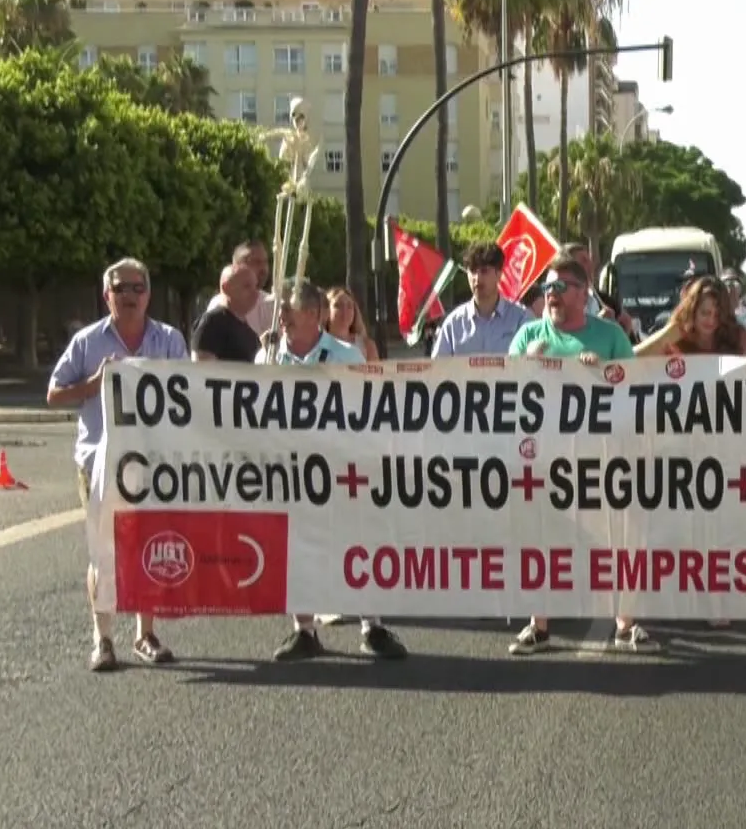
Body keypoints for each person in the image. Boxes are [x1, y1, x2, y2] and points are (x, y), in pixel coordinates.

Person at [46, 258, 189, 672]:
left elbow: (192, 393)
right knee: (103, 552)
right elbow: (54, 393)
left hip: (155, 465)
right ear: (106, 295)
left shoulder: (168, 340)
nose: (128, 295)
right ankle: (102, 640)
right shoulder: (88, 342)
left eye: (136, 288)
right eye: (119, 288)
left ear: (149, 294)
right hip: (99, 462)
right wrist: (93, 385)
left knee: (149, 547)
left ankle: (146, 634)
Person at [258, 281, 410, 663]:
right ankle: (304, 630)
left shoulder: (345, 356)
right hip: (290, 471)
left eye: (288, 312)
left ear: (313, 315)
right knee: (296, 547)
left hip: (342, 469)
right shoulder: (269, 358)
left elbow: (372, 408)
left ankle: (371, 625)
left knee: (356, 542)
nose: (282, 319)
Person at [505, 253, 646, 654]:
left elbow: (637, 390)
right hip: (544, 458)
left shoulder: (610, 337)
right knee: (542, 539)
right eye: (548, 287)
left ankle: (625, 623)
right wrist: (527, 366)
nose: (552, 295)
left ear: (583, 294)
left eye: (561, 287)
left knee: (617, 537)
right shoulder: (528, 337)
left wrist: (604, 372)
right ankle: (539, 625)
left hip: (602, 456)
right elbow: (503, 392)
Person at [433, 242, 529, 357]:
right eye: (473, 271)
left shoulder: (521, 319)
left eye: (484, 271)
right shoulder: (453, 324)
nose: (477, 278)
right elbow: (438, 369)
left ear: (499, 274)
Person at [191, 262, 264, 363]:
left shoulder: (251, 334)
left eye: (255, 286)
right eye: (247, 286)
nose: (255, 293)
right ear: (226, 288)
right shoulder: (213, 323)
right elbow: (202, 370)